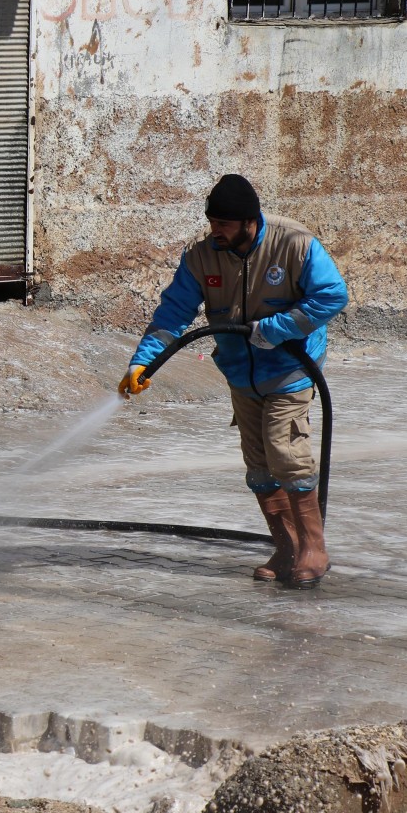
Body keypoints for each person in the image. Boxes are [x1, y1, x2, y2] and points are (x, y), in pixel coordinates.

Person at [118, 174, 348, 588]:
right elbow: (173, 315)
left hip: (291, 368)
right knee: (259, 466)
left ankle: (314, 548)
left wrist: (275, 329)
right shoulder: (202, 257)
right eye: (211, 222)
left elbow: (332, 296)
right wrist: (143, 364)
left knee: (286, 452)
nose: (215, 231)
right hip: (240, 372)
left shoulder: (293, 244)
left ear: (249, 222)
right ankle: (286, 548)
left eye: (224, 224)